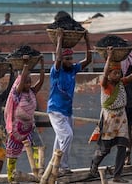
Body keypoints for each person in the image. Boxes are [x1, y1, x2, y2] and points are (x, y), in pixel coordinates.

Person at [89, 47, 132, 183]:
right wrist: (109, 57)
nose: (117, 75)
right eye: (115, 73)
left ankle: (118, 175)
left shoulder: (122, 82)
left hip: (121, 118)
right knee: (104, 149)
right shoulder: (105, 84)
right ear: (109, 74)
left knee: (123, 146)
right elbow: (104, 75)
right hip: (108, 119)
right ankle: (94, 166)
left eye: (119, 73)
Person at [47, 28, 91, 175]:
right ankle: (62, 167)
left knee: (59, 139)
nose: (70, 61)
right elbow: (58, 59)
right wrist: (59, 39)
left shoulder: (73, 69)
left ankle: (55, 165)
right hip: (56, 110)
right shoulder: (56, 71)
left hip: (67, 111)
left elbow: (89, 60)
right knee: (67, 136)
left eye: (71, 59)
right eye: (67, 59)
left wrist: (87, 40)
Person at [4, 55, 45, 183]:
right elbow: (21, 82)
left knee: (38, 146)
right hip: (17, 129)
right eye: (26, 82)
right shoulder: (17, 93)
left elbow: (42, 81)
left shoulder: (32, 92)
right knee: (12, 153)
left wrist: (42, 65)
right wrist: (26, 65)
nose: (28, 84)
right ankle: (11, 177)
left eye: (29, 82)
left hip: (30, 127)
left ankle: (39, 172)